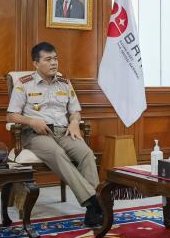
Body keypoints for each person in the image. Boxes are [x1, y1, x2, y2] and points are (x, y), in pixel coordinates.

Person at [7, 42, 102, 226]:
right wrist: (32, 121)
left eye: (55, 59)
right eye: (48, 59)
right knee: (58, 154)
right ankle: (95, 202)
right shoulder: (24, 84)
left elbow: (75, 111)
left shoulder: (65, 83)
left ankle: (92, 209)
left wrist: (74, 122)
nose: (54, 63)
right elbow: (11, 115)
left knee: (86, 153)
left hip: (63, 131)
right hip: (36, 135)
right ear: (36, 63)